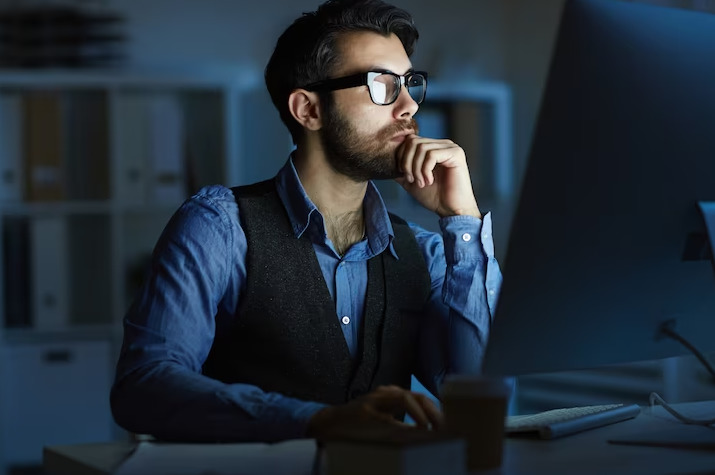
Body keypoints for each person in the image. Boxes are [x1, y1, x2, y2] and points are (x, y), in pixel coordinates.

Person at [110, 0, 502, 443]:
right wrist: (313, 421)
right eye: (382, 84)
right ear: (308, 110)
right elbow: (143, 386)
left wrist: (461, 219)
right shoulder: (219, 227)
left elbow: (480, 391)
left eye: (410, 83)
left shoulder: (425, 252)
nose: (409, 105)